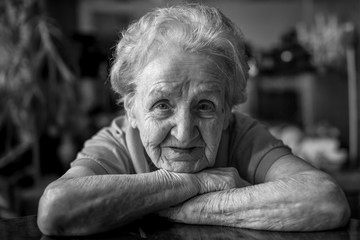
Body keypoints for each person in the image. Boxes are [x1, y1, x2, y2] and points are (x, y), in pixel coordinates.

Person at [37, 3, 350, 236]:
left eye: (205, 106)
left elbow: (325, 200)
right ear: (131, 108)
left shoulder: (242, 133)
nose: (184, 133)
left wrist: (192, 206)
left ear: (228, 111)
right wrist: (196, 182)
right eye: (162, 104)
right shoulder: (117, 142)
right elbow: (56, 210)